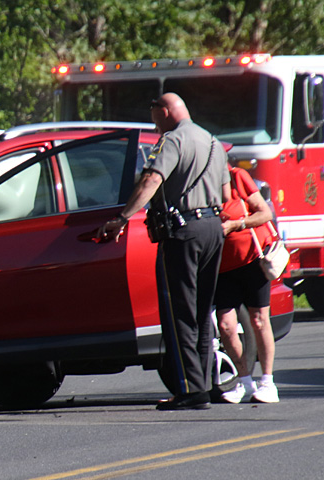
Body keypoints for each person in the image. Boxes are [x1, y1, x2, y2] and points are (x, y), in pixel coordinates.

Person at [97, 93, 229, 410]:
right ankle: (207, 384)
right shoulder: (212, 142)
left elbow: (151, 180)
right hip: (213, 227)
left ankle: (188, 389)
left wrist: (122, 217)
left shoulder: (172, 140)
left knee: (179, 314)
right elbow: (226, 194)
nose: (153, 120)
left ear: (165, 111)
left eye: (153, 112)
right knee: (200, 313)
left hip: (183, 232)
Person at [216, 164, 279, 403]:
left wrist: (237, 224)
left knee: (259, 320)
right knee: (226, 326)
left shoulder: (237, 177)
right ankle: (244, 382)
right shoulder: (200, 185)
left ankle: (267, 382)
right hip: (223, 267)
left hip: (253, 260)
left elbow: (265, 213)